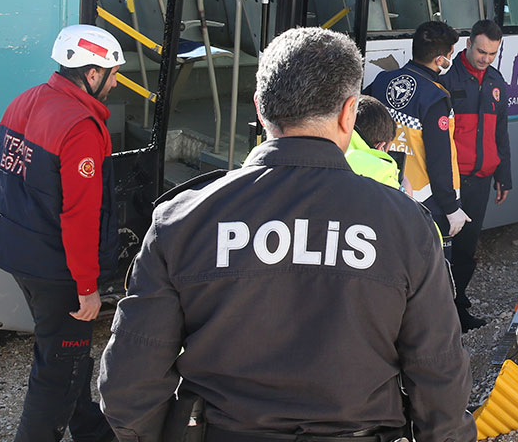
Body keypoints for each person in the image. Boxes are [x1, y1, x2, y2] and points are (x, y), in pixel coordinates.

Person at [98, 27, 475, 442]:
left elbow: (127, 384)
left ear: (260, 108)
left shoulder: (182, 220)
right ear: (351, 112)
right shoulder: (407, 226)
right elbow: (438, 374)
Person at [0, 24, 122, 442]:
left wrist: (2, 223)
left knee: (58, 348)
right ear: (91, 74)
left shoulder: (27, 101)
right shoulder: (82, 128)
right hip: (60, 273)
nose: (114, 82)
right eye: (112, 74)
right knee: (60, 369)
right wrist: (87, 287)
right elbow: (79, 215)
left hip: (20, 257)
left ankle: (94, 432)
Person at [368, 21, 468, 249]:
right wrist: (451, 208)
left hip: (382, 188)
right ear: (439, 60)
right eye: (450, 55)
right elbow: (439, 159)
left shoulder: (383, 81)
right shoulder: (435, 98)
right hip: (424, 202)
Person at [446, 19, 512, 332]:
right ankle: (436, 310)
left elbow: (501, 133)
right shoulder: (447, 77)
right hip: (451, 181)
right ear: (468, 43)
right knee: (441, 248)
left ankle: (458, 308)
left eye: (492, 54)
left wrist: (504, 175)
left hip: (481, 180)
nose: (485, 58)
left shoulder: (496, 82)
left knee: (466, 250)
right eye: (482, 51)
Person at [348, 95, 402, 189]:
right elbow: (402, 201)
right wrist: (405, 188)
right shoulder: (383, 171)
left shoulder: (325, 146)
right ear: (380, 147)